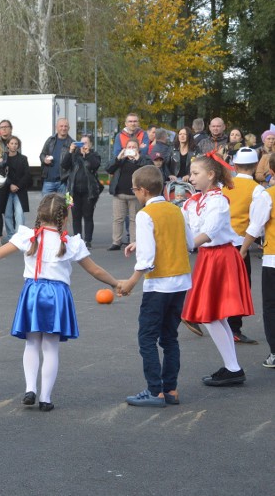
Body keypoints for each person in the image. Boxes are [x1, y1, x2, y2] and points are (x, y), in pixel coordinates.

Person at [0, 193, 120, 411]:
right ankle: (45, 398)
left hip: (33, 291)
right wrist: (115, 283)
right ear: (65, 217)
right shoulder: (71, 243)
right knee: (50, 347)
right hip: (58, 295)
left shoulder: (28, 237)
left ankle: (30, 388)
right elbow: (95, 270)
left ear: (39, 214)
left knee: (32, 343)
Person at [117, 166, 193, 407]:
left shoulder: (144, 215)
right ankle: (171, 389)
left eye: (134, 189)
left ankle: (154, 391)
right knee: (170, 338)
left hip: (158, 284)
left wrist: (131, 281)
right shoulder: (176, 210)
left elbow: (148, 259)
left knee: (147, 338)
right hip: (180, 282)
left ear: (141, 191)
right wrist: (141, 243)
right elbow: (189, 242)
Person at [181, 154, 254, 386]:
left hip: (221, 257)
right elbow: (177, 224)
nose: (190, 177)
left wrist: (186, 245)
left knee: (211, 316)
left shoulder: (218, 201)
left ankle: (233, 368)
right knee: (215, 316)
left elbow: (209, 232)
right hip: (209, 257)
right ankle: (233, 367)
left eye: (195, 173)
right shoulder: (193, 201)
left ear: (211, 175)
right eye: (191, 173)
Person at [221, 146, 265, 344]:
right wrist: (246, 249)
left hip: (221, 242)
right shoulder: (257, 189)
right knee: (240, 287)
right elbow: (257, 223)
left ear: (235, 165)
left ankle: (202, 315)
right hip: (240, 243)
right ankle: (234, 328)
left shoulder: (224, 185)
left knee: (220, 285)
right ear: (255, 166)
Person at [239, 152, 275, 369]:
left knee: (271, 306)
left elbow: (255, 226)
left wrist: (243, 249)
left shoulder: (268, 195)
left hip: (273, 259)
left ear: (270, 171)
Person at [107, 139, 153, 250]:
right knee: (118, 219)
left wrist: (138, 159)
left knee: (134, 219)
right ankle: (116, 242)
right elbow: (108, 169)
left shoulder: (143, 159)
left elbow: (150, 170)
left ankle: (134, 242)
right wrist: (118, 158)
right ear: (125, 148)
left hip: (136, 195)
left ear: (138, 149)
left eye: (134, 147)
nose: (131, 149)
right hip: (119, 194)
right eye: (129, 147)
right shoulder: (121, 159)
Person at [62, 134, 102, 248]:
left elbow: (95, 165)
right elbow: (64, 165)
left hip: (89, 192)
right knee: (76, 216)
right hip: (73, 191)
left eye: (86, 143)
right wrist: (70, 151)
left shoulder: (94, 155)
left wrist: (88, 154)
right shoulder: (74, 155)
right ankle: (77, 239)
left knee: (88, 216)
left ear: (90, 145)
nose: (83, 145)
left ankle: (88, 240)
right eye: (81, 143)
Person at [3, 136, 30, 239]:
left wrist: (17, 186)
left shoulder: (23, 158)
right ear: (8, 145)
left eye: (16, 144)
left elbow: (27, 175)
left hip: (20, 190)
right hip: (6, 189)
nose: (14, 146)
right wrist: (9, 185)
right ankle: (11, 236)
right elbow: (1, 173)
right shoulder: (3, 158)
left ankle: (20, 236)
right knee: (7, 214)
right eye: (12, 143)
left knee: (19, 214)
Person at [39, 118, 73, 195]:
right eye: (61, 126)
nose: (63, 128)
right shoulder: (50, 140)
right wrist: (44, 159)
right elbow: (42, 154)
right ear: (56, 127)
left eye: (65, 126)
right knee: (46, 206)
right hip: (48, 181)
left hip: (64, 182)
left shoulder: (72, 143)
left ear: (69, 128)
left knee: (65, 206)